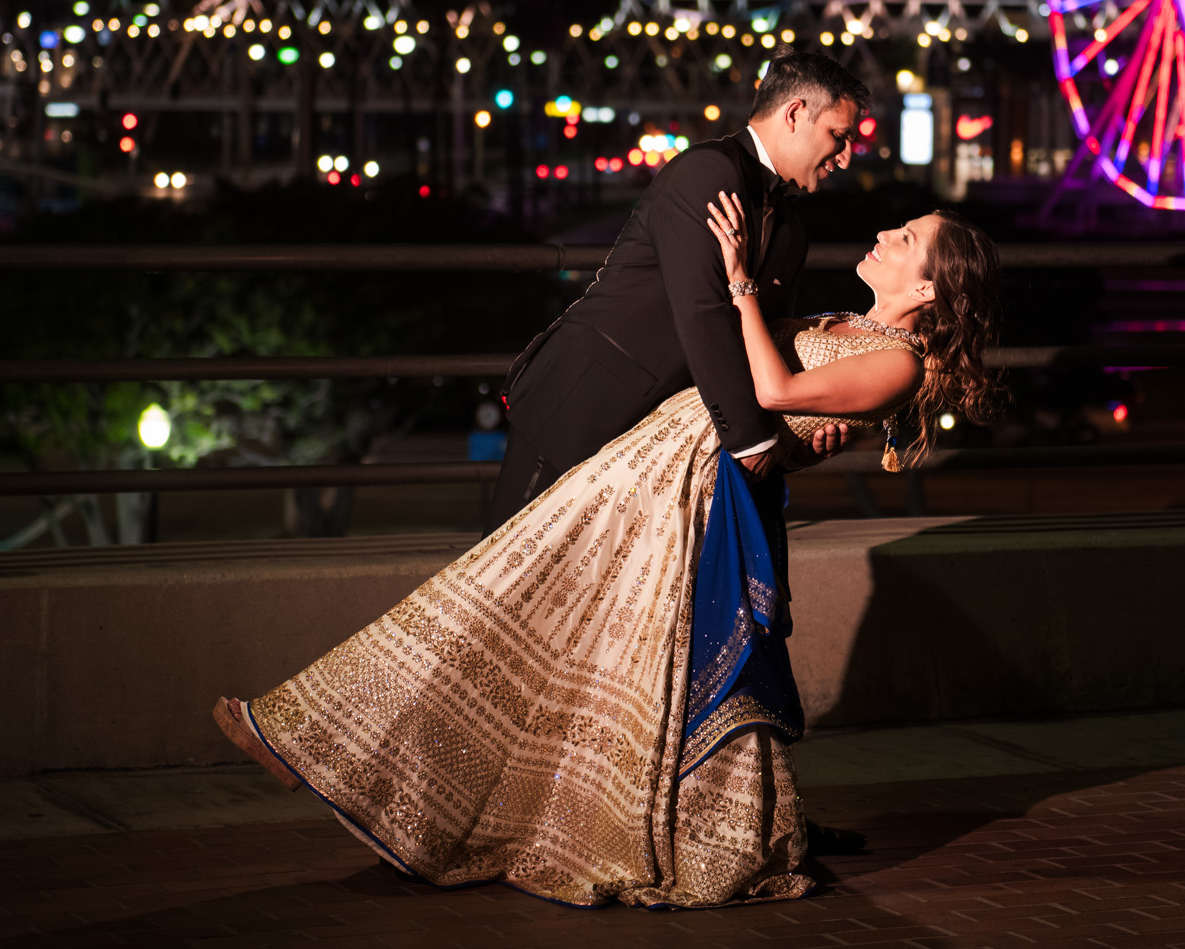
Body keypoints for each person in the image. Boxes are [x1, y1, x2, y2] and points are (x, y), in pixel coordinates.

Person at [211, 207, 1002, 908]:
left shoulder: (897, 362)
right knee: (511, 590)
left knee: (532, 602)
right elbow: (780, 386)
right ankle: (323, 737)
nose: (884, 236)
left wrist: (738, 284)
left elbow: (771, 385)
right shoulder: (847, 325)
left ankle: (329, 742)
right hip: (659, 459)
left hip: (685, 489)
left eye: (906, 240)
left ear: (930, 291)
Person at [485, 50, 870, 534]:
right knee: (505, 582)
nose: (847, 155)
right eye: (839, 135)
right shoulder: (707, 173)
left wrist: (798, 433)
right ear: (794, 113)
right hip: (581, 408)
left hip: (655, 447)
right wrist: (753, 442)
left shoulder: (792, 229)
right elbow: (702, 311)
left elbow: (766, 344)